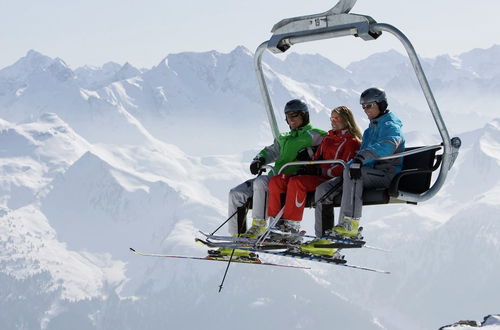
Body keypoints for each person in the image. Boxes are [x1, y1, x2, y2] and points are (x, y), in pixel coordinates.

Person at [301, 87, 405, 256]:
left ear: (381, 104)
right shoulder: (370, 130)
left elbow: (388, 144)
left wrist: (361, 159)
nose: (366, 110)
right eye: (363, 106)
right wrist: (353, 162)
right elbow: (357, 158)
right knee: (323, 190)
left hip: (385, 174)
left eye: (369, 105)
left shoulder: (390, 125)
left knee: (351, 171)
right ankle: (323, 241)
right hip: (364, 173)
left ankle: (349, 225)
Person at [226, 99, 326, 241]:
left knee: (261, 181)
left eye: (294, 115)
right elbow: (271, 151)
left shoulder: (315, 135)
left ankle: (259, 226)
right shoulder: (284, 138)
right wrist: (259, 159)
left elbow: (329, 148)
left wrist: (311, 151)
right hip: (275, 177)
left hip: (292, 177)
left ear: (304, 116)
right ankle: (238, 238)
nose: (291, 119)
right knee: (236, 194)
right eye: (287, 116)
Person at [266, 106, 362, 240]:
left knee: (297, 182)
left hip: (330, 179)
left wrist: (319, 169)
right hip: (317, 175)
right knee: (277, 181)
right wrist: (307, 166)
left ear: (346, 120)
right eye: (331, 118)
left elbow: (343, 167)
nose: (332, 121)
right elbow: (316, 157)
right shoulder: (328, 138)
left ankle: (291, 226)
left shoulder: (351, 142)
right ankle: (275, 224)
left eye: (336, 118)